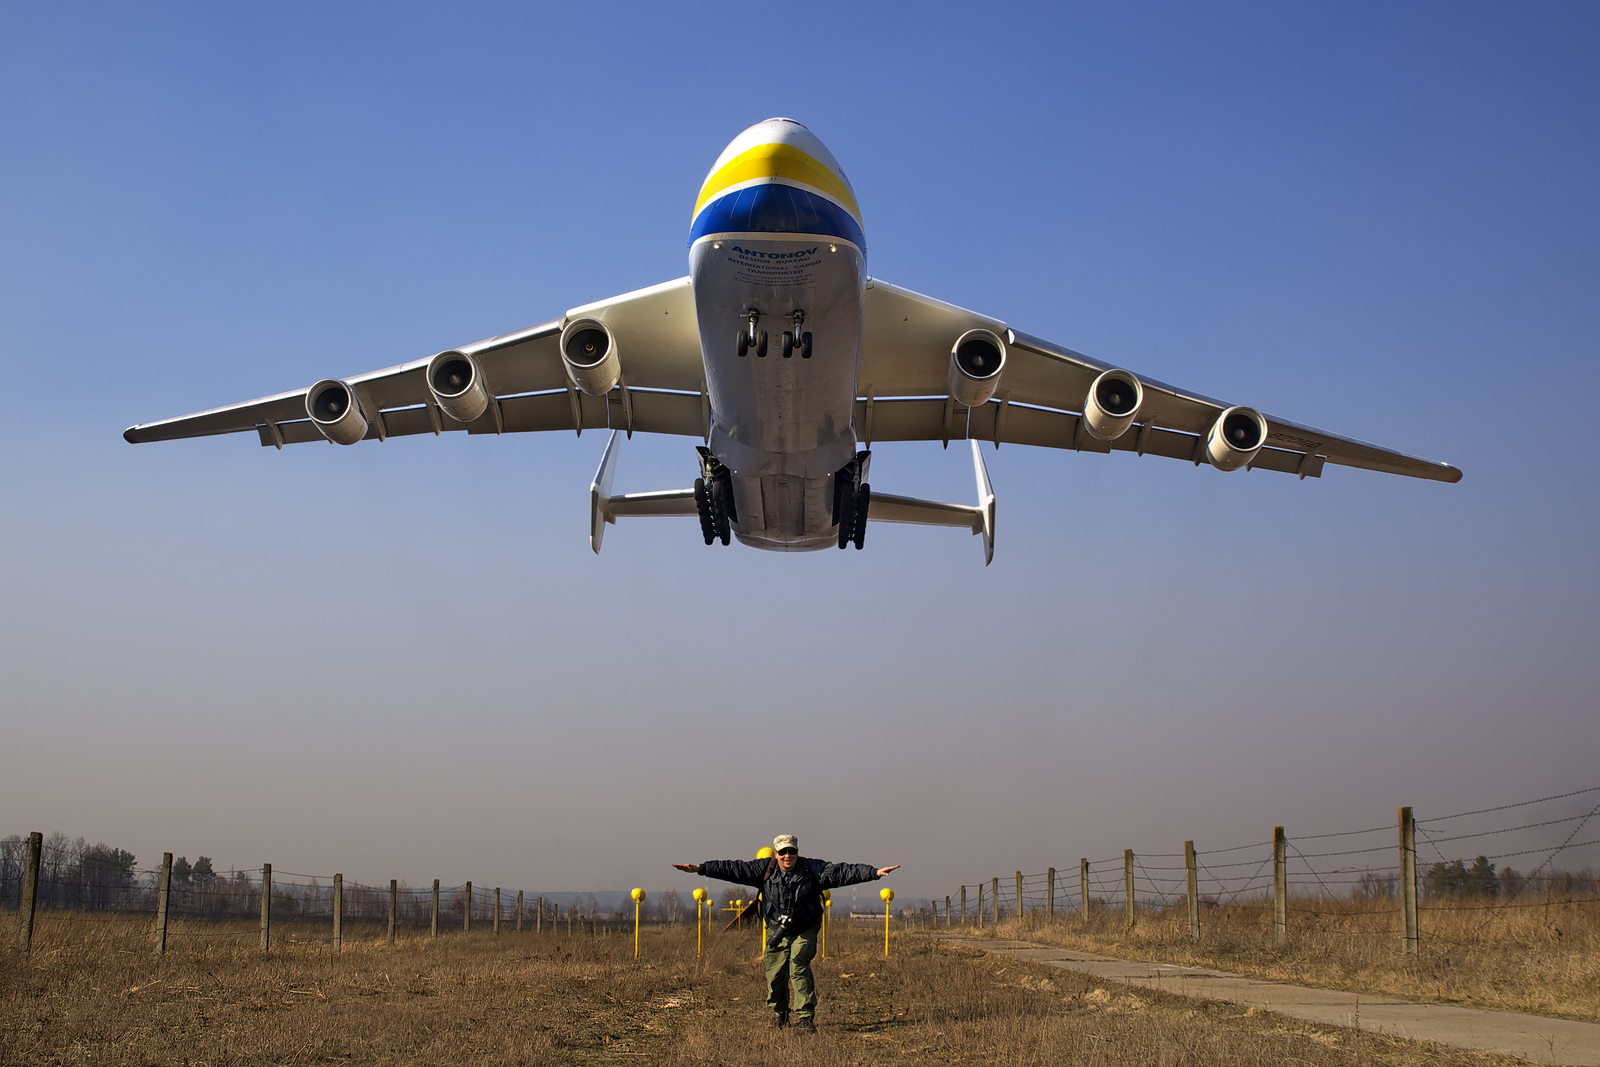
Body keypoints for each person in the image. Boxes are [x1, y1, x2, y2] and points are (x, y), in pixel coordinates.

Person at [674, 836, 899, 1033]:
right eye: (783, 852)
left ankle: (805, 1019)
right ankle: (780, 1015)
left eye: (792, 851)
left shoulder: (813, 869)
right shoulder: (764, 869)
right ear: (776, 853)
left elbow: (842, 872)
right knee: (775, 972)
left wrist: (874, 873)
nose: (787, 856)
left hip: (805, 926)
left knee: (798, 964)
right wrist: (700, 868)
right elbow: (733, 869)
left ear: (797, 852)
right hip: (776, 926)